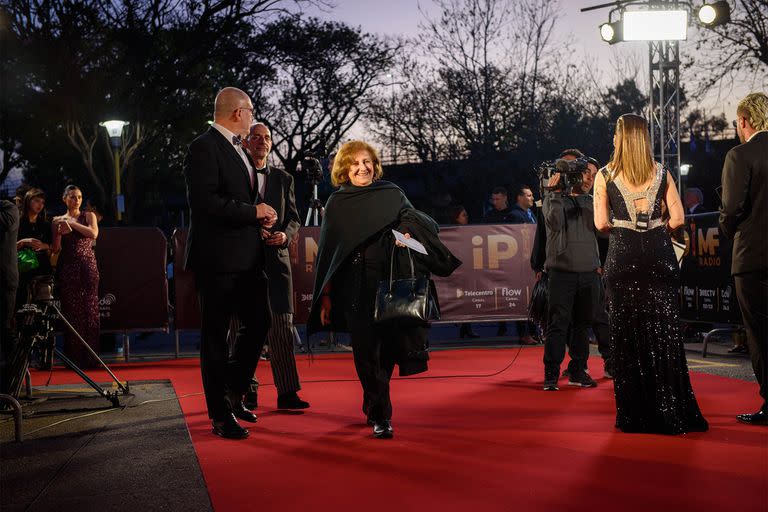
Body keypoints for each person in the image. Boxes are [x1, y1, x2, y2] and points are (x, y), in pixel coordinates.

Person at [308, 140, 460, 439]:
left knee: (388, 349)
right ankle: (381, 415)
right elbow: (328, 255)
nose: (361, 168)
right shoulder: (337, 204)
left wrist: (407, 232)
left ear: (374, 165)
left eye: (366, 162)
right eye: (354, 163)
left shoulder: (392, 194)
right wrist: (325, 297)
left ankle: (374, 400)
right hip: (353, 287)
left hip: (391, 282)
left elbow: (421, 229)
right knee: (366, 352)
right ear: (344, 169)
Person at [594, 113, 708, 434]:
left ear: (620, 138)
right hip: (658, 255)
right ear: (644, 139)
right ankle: (672, 410)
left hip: (624, 255)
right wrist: (655, 228)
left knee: (628, 335)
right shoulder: (662, 172)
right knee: (664, 334)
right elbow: (679, 218)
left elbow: (601, 223)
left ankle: (635, 415)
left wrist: (626, 227)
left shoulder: (605, 175)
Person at [183, 87, 278, 440]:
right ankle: (220, 415)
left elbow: (240, 197)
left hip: (249, 258)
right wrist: (253, 211)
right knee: (216, 337)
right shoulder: (203, 147)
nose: (253, 116)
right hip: (217, 259)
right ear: (238, 113)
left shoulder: (239, 149)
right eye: (251, 111)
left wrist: (261, 218)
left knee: (260, 322)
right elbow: (206, 203)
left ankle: (233, 390)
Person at [241, 121, 309, 410]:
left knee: (282, 327)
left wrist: (285, 235)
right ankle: (246, 389)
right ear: (246, 143)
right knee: (242, 329)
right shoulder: (236, 178)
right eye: (255, 137)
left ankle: (287, 392)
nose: (261, 141)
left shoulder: (284, 179)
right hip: (243, 264)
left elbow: (294, 219)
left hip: (277, 265)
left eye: (266, 137)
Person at [719, 92, 768, 425]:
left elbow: (731, 210)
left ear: (743, 121)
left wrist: (726, 227)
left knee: (760, 333)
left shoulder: (740, 155)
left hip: (753, 258)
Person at [541, 157, 601, 391]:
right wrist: (555, 193)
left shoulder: (594, 201)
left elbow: (604, 232)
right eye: (586, 173)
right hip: (562, 273)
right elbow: (555, 223)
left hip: (589, 273)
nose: (590, 179)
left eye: (594, 175)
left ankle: (578, 370)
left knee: (582, 326)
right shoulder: (553, 199)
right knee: (558, 325)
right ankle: (551, 374)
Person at [51, 185, 100, 368]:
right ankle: (73, 359)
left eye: (79, 197)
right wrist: (55, 234)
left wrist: (71, 224)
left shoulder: (88, 216)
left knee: (90, 310)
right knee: (71, 312)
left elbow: (94, 233)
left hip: (88, 265)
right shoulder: (57, 220)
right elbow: (56, 248)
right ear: (64, 198)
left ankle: (91, 358)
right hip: (68, 267)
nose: (76, 200)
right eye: (72, 197)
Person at [507, 185, 538, 345]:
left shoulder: (530, 213)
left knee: (533, 299)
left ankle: (533, 332)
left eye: (532, 195)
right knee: (523, 300)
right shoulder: (514, 216)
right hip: (521, 264)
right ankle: (524, 333)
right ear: (520, 198)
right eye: (529, 195)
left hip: (532, 263)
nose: (532, 198)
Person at [16, 188, 53, 307]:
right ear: (28, 201)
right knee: (21, 304)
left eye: (42, 202)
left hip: (42, 270)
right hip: (22, 270)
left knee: (42, 307)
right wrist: (24, 242)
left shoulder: (46, 224)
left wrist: (44, 245)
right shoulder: (17, 222)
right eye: (37, 201)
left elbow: (54, 247)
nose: (40, 205)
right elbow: (8, 247)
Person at [448, 204, 478, 339]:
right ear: (456, 218)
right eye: (464, 215)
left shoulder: (469, 231)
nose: (467, 217)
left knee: (468, 299)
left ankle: (467, 327)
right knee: (459, 299)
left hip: (468, 270)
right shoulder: (451, 233)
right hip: (457, 271)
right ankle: (460, 323)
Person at [0, 199, 19, 393]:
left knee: (4, 330)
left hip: (4, 280)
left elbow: (5, 223)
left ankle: (9, 387)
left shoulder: (9, 208)